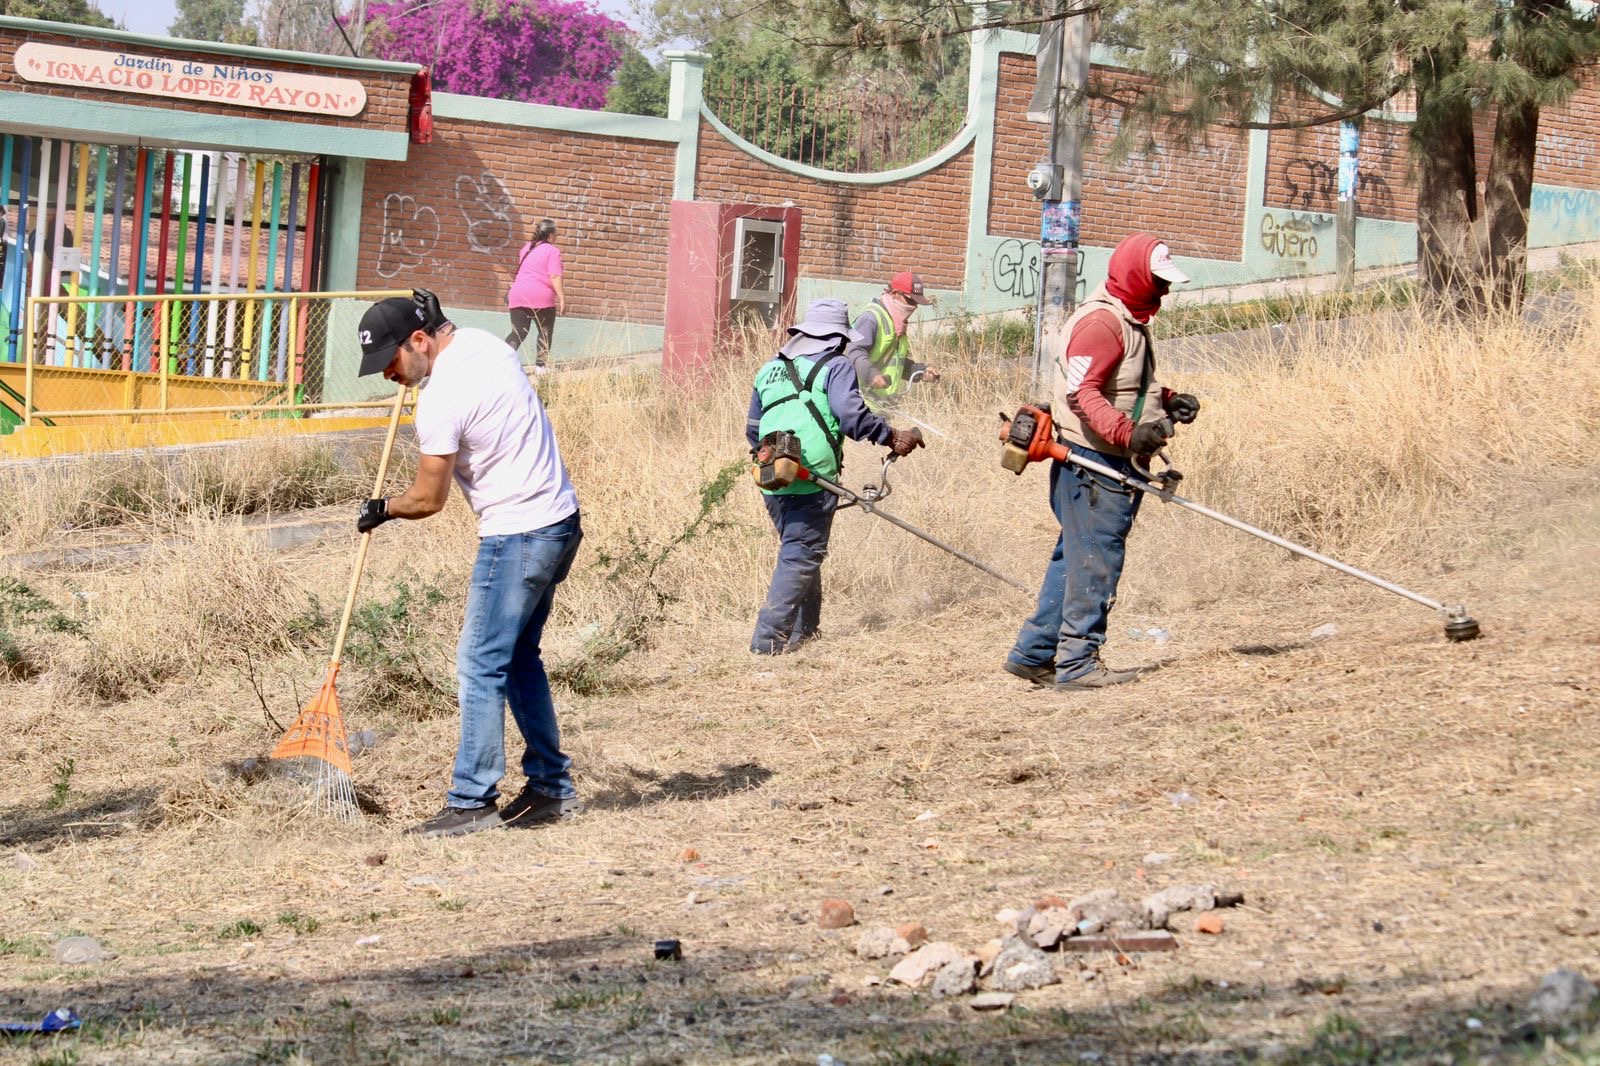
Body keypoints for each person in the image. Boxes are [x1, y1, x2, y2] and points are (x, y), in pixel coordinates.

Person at [355, 289, 584, 837]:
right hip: (560, 521)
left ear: (417, 341)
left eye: (390, 363)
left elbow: (427, 501)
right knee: (519, 657)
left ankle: (472, 800)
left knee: (480, 664)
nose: (389, 376)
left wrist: (382, 508)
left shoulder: (440, 399)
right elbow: (450, 343)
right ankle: (551, 787)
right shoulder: (487, 347)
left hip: (517, 535)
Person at [1005, 234, 1201, 690]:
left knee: (1074, 561)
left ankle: (1034, 654)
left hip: (1109, 462)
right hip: (1092, 467)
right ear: (1136, 275)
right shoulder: (1101, 324)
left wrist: (1168, 403)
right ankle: (1077, 665)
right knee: (1096, 563)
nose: (1164, 292)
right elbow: (1083, 394)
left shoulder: (1128, 320)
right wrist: (1130, 433)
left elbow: (1122, 385)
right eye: (1157, 281)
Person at [747, 297, 926, 655]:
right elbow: (851, 416)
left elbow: (753, 429)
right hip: (810, 475)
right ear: (837, 338)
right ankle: (766, 642)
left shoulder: (769, 369)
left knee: (801, 549)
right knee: (801, 552)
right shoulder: (837, 365)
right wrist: (892, 436)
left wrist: (772, 457)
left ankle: (806, 631)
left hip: (770, 475)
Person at [844, 271, 941, 410]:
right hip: (861, 403)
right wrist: (872, 375)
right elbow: (855, 353)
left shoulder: (898, 323)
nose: (913, 307)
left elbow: (894, 363)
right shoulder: (871, 318)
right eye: (910, 300)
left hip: (885, 405)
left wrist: (920, 372)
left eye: (916, 303)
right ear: (895, 293)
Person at [505, 218, 565, 372]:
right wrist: (562, 298)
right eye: (556, 234)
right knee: (545, 331)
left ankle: (500, 362)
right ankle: (540, 367)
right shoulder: (552, 251)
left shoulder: (526, 248)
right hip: (540, 297)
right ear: (551, 235)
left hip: (518, 294)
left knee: (517, 332)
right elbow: (554, 276)